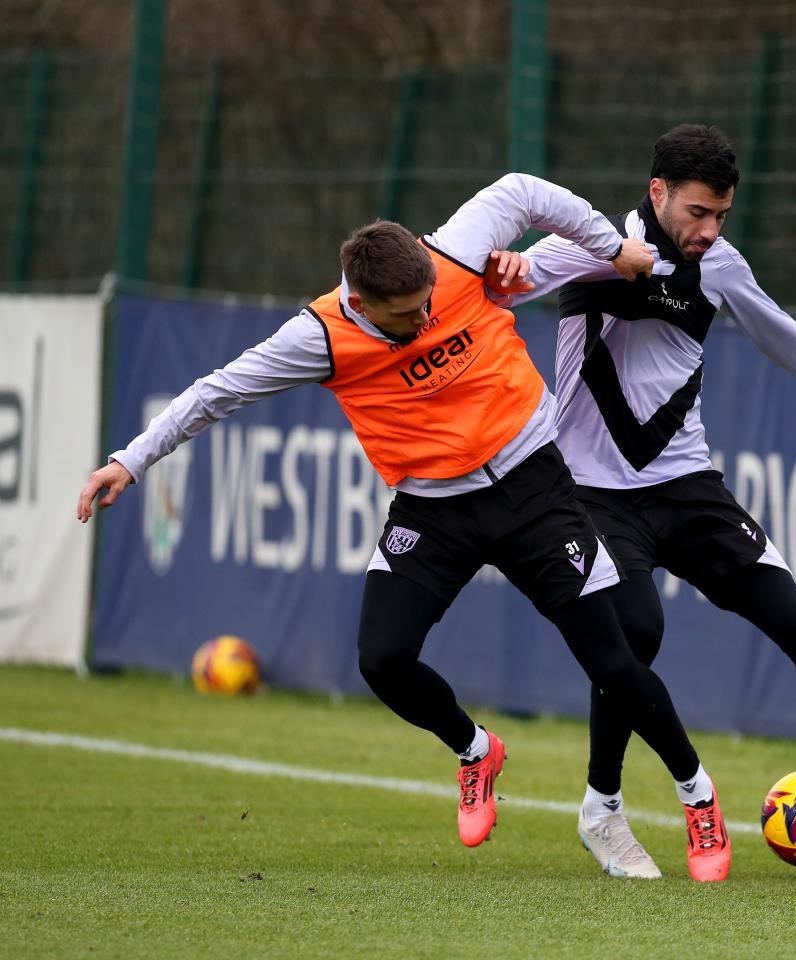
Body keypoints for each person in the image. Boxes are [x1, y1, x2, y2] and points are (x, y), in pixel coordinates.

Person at [76, 173, 732, 882]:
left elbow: (523, 190)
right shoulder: (319, 335)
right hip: (434, 509)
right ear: (359, 302)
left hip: (533, 486)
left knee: (612, 660)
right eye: (405, 317)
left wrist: (612, 247)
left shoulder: (453, 252)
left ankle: (698, 796)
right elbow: (217, 391)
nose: (425, 323)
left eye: (429, 306)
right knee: (382, 659)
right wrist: (130, 461)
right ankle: (475, 750)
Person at [489, 125, 796, 879]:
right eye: (697, 212)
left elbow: (787, 339)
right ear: (657, 194)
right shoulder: (591, 248)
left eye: (721, 214)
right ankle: (603, 809)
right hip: (591, 494)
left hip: (688, 490)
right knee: (638, 631)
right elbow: (500, 282)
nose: (709, 230)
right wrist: (504, 266)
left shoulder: (718, 266)